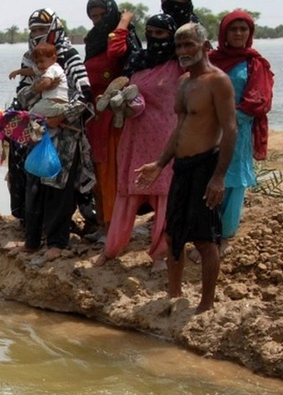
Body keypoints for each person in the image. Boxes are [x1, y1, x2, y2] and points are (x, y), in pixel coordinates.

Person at [134, 22, 236, 314]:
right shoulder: (183, 83)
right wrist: (159, 162)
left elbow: (230, 130)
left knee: (205, 239)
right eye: (179, 46)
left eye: (189, 44)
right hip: (182, 166)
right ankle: (173, 293)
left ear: (205, 47)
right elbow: (179, 129)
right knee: (172, 235)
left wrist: (219, 177)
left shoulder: (218, 81)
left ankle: (206, 304)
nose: (183, 51)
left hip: (207, 166)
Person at [93, 14, 183, 273]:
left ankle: (159, 255)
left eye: (161, 34)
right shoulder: (136, 61)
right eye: (150, 33)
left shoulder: (179, 64)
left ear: (171, 36)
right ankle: (111, 251)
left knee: (165, 197)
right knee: (128, 194)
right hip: (135, 135)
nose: (155, 39)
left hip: (166, 137)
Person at [20, 8, 96, 264]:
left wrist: (60, 118)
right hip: (37, 130)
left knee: (59, 188)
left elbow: (85, 95)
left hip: (65, 132)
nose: (38, 37)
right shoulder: (30, 59)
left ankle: (56, 243)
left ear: (54, 29)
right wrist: (37, 87)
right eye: (34, 32)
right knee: (33, 185)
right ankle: (32, 241)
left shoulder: (69, 56)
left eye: (42, 31)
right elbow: (22, 97)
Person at [208, 10, 274, 256]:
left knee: (233, 182)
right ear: (224, 32)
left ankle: (225, 236)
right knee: (209, 178)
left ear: (250, 33)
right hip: (207, 130)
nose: (238, 34)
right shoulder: (211, 59)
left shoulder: (255, 63)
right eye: (233, 29)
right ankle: (208, 234)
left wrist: (227, 120)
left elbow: (259, 102)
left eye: (243, 29)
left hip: (238, 131)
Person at [83, 0, 141, 241]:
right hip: (94, 114)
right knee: (96, 168)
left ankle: (113, 225)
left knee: (110, 169)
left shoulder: (121, 38)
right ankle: (101, 221)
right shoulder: (93, 39)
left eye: (101, 14)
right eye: (93, 16)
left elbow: (116, 52)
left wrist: (123, 22)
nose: (97, 20)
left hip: (112, 114)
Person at [26, 42, 72, 121]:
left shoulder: (51, 69)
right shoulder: (56, 68)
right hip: (56, 103)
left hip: (52, 103)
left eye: (41, 61)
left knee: (30, 114)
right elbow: (32, 71)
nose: (39, 65)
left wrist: (36, 89)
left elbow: (46, 83)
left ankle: (64, 110)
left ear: (53, 59)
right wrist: (17, 72)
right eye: (36, 63)